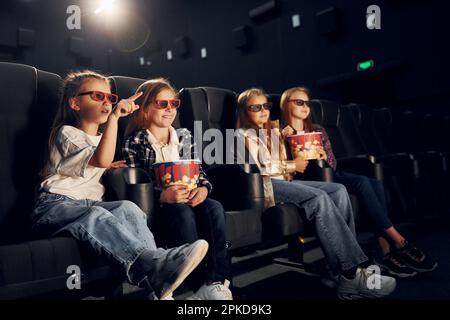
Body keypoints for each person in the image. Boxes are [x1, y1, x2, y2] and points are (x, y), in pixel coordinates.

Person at [32, 71, 208, 300]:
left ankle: (159, 283)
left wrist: (107, 167)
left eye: (110, 98)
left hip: (89, 203)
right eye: (97, 96)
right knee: (95, 214)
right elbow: (97, 157)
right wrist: (115, 118)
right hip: (54, 207)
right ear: (75, 103)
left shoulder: (101, 138)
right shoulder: (66, 133)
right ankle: (153, 267)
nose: (106, 102)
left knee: (129, 208)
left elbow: (96, 161)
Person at [233, 88, 397, 300]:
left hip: (285, 181)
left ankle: (339, 268)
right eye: (256, 107)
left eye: (266, 106)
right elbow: (257, 169)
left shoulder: (271, 132)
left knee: (338, 189)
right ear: (244, 112)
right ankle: (351, 272)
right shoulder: (240, 135)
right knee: (318, 198)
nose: (263, 111)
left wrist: (285, 142)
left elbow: (283, 155)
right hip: (265, 186)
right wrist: (291, 164)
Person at [280, 86, 437, 277]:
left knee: (373, 183)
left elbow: (332, 163)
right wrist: (284, 141)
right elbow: (282, 167)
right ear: (286, 104)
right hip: (306, 180)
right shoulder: (280, 131)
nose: (305, 106)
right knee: (363, 183)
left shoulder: (318, 130)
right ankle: (398, 242)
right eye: (299, 102)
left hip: (328, 174)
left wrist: (323, 156)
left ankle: (384, 251)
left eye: (307, 103)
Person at [122, 78, 232, 300]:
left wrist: (203, 189)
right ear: (144, 108)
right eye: (162, 104)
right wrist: (161, 195)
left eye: (173, 104)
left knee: (214, 208)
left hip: (191, 196)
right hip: (161, 206)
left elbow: (199, 171)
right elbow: (137, 185)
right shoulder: (135, 141)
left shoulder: (184, 137)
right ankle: (198, 283)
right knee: (182, 213)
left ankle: (215, 281)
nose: (169, 109)